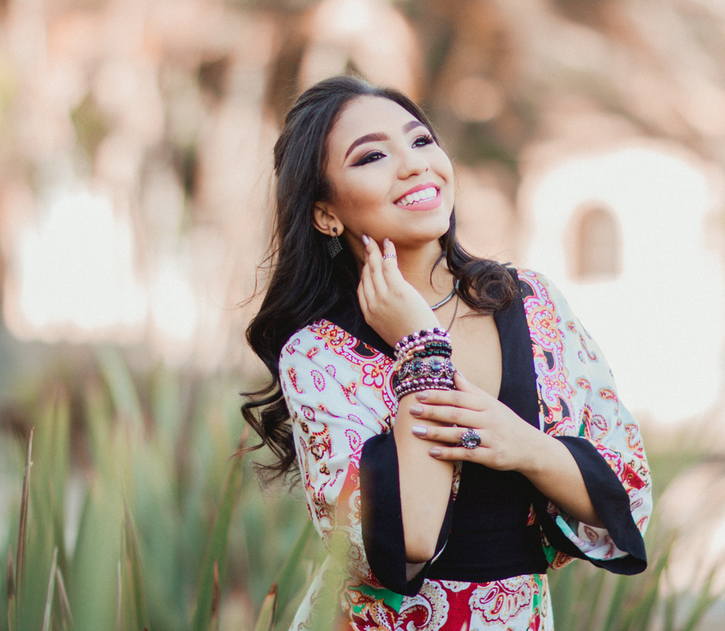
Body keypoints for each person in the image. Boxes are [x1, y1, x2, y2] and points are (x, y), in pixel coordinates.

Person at [243, 74, 651, 631]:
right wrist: (421, 348)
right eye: (371, 157)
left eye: (421, 141)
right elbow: (408, 537)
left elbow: (627, 494)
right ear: (325, 213)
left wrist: (524, 446)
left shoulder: (532, 305)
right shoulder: (319, 353)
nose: (414, 165)